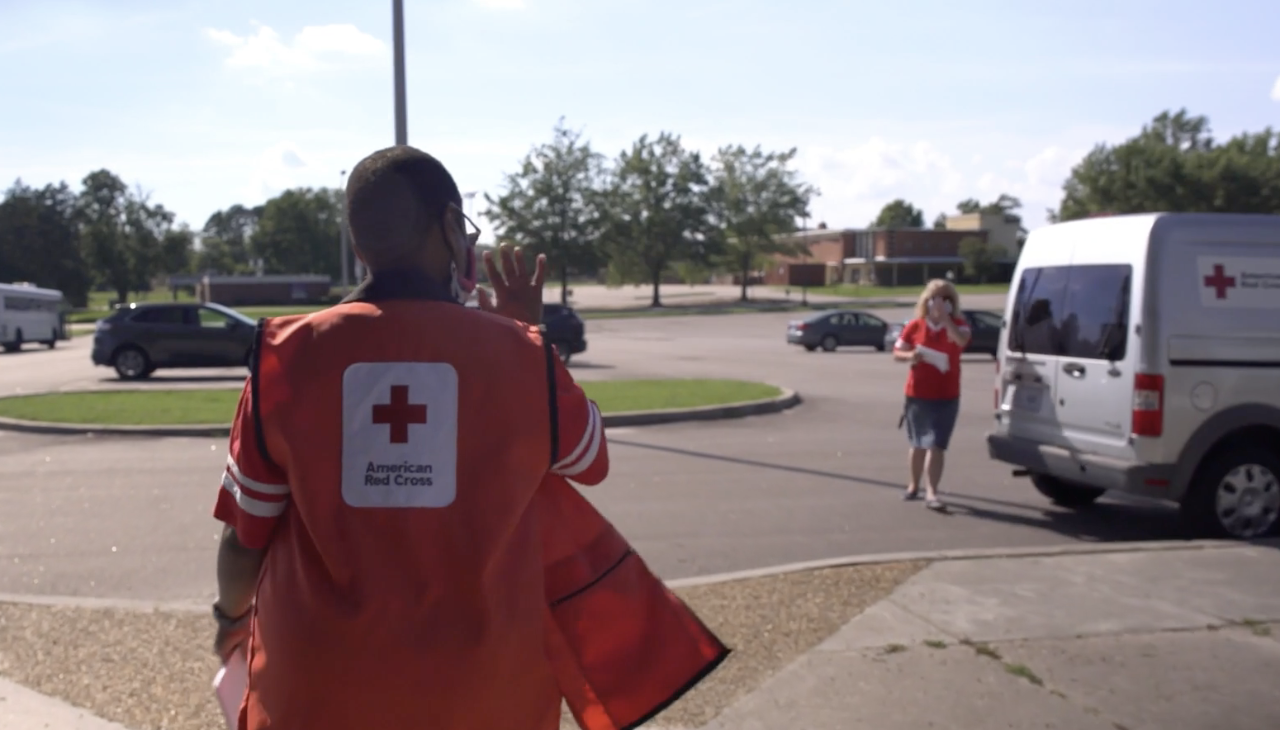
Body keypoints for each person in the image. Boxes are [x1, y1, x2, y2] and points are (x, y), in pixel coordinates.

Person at [209, 146, 726, 730]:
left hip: (317, 694)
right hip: (488, 692)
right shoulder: (519, 356)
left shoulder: (287, 358)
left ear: (359, 244)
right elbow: (589, 459)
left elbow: (243, 539)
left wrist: (230, 618)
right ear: (453, 228)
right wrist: (526, 332)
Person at [892, 279, 971, 511]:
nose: (939, 303)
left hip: (947, 395)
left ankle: (932, 492)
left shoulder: (959, 325)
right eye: (934, 298)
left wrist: (945, 320)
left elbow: (961, 341)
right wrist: (911, 356)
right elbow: (897, 352)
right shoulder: (915, 326)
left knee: (937, 444)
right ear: (926, 301)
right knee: (918, 443)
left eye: (945, 299)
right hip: (918, 394)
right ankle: (913, 486)